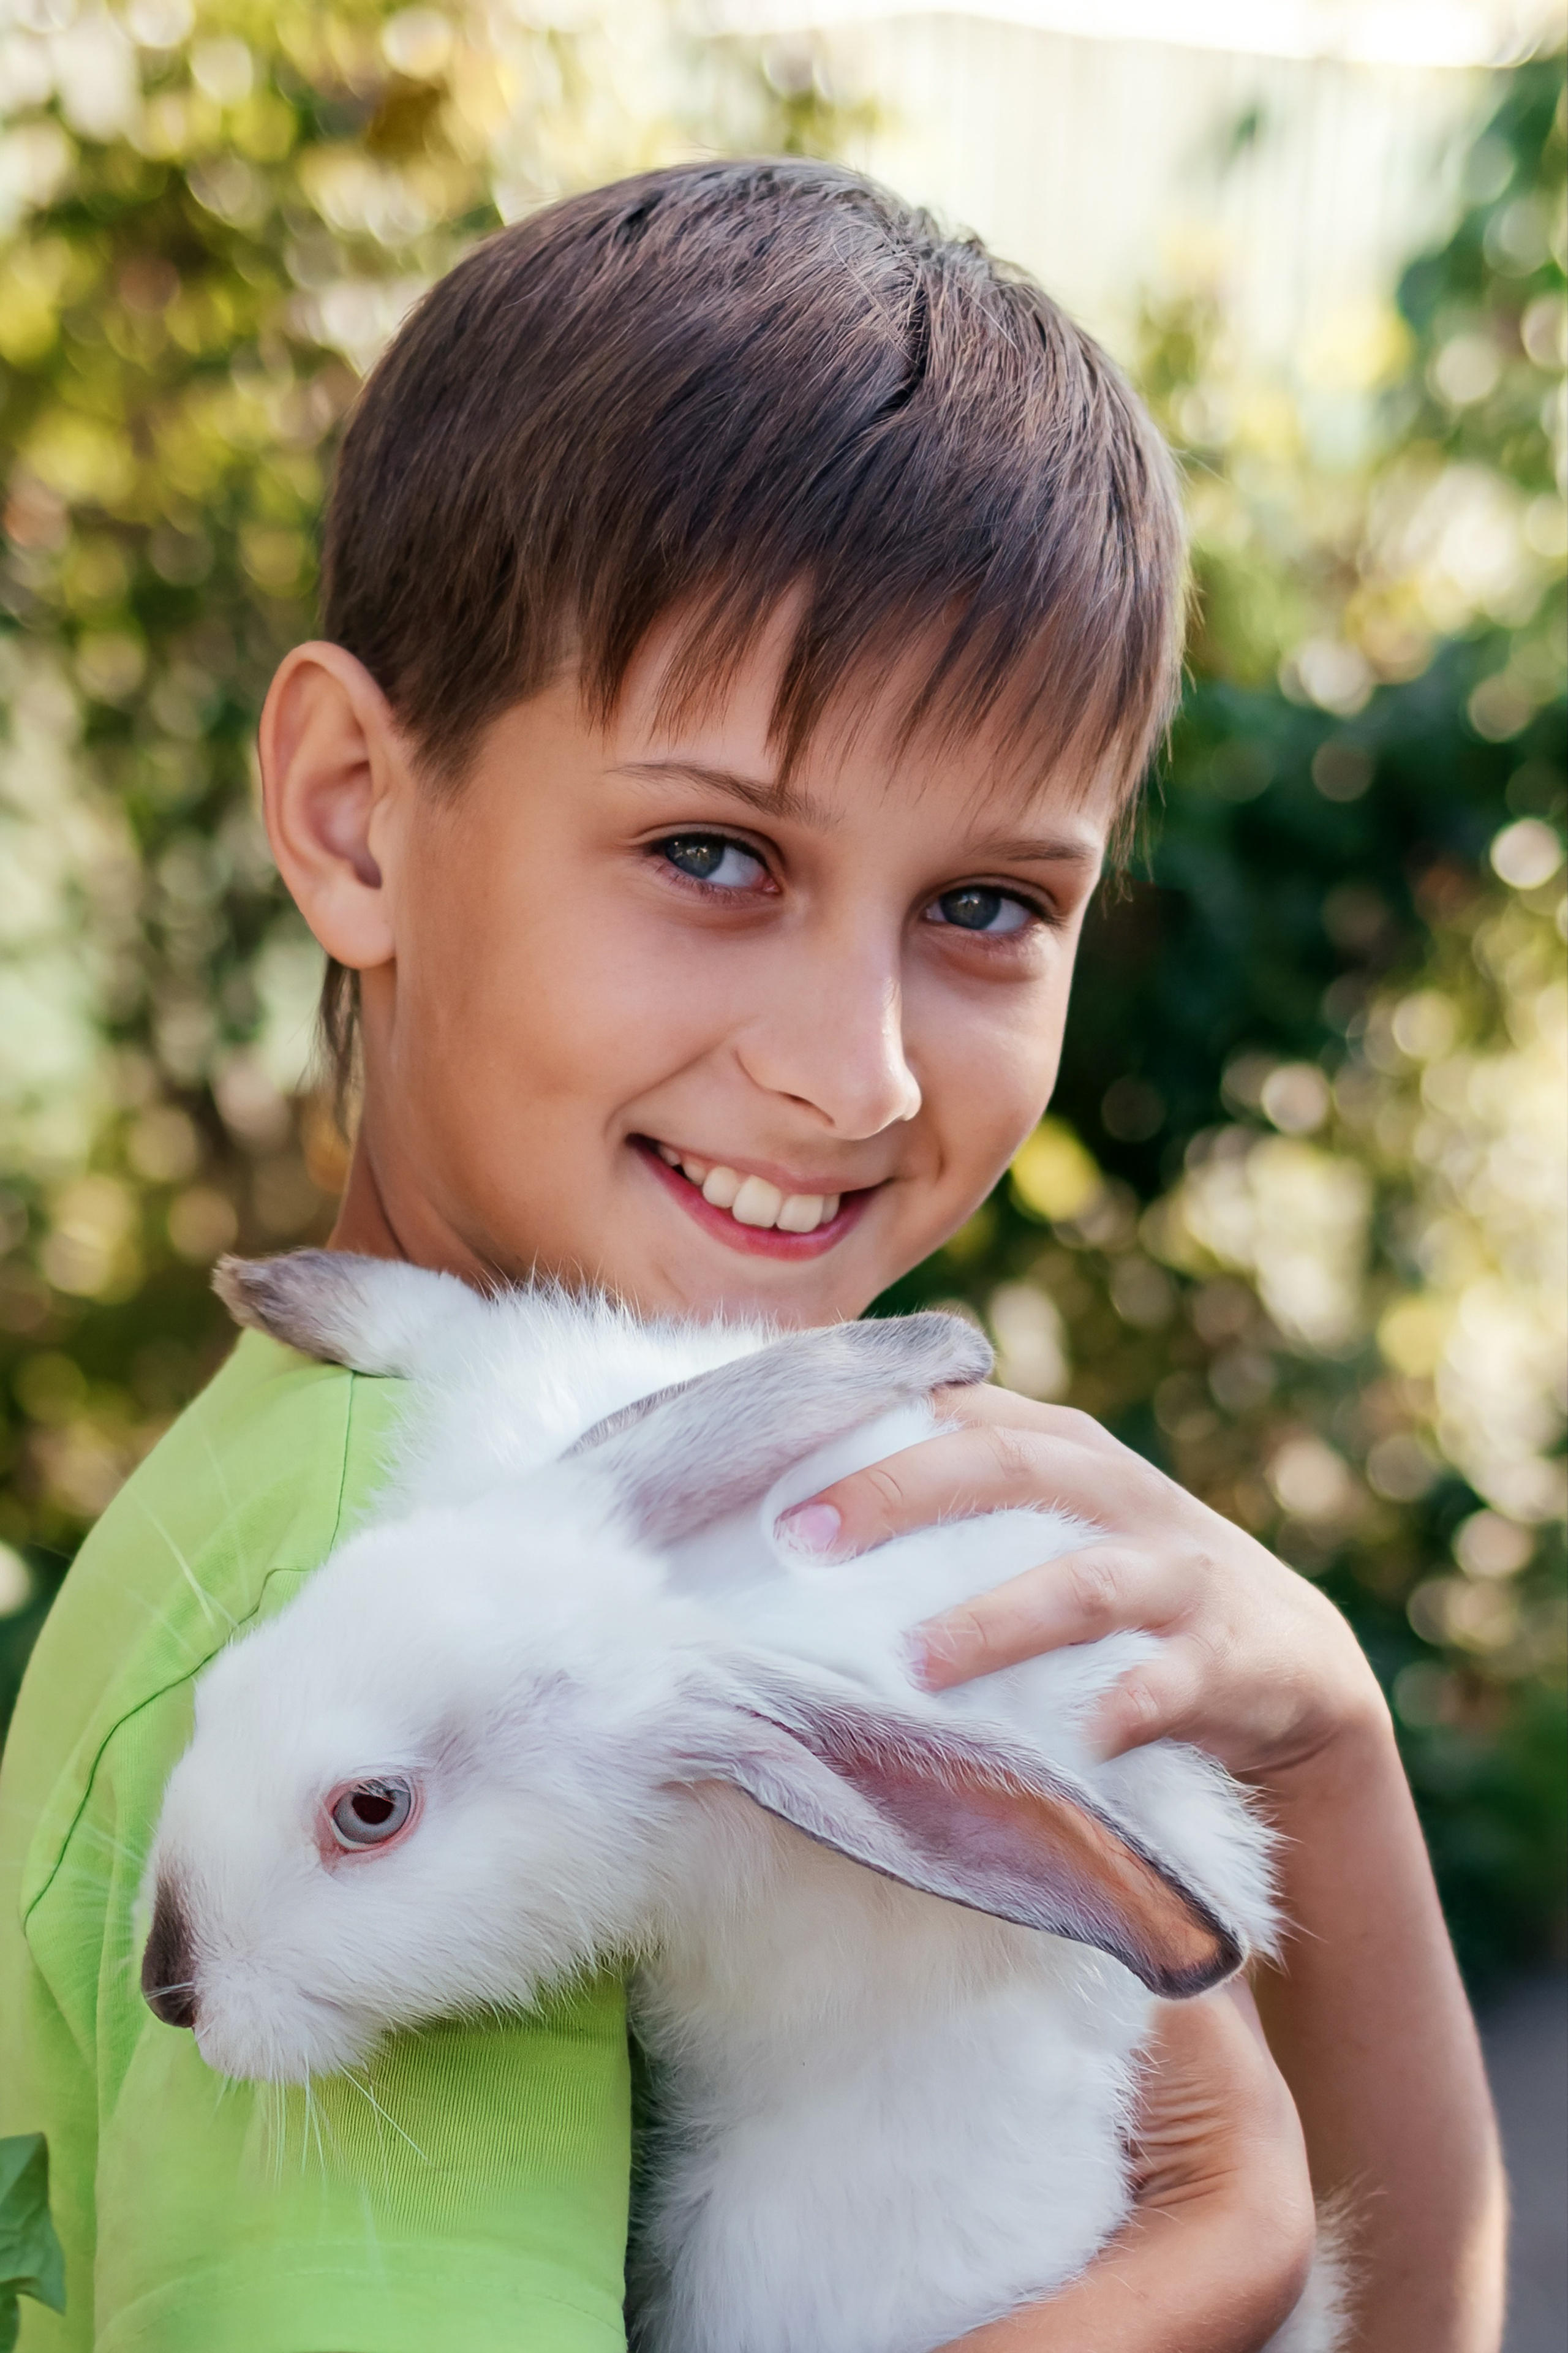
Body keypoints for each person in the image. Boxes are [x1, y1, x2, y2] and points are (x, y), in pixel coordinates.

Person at [0, 160, 1502, 2353]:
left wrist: (1328, 1754)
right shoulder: (412, 1608)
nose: (857, 1075)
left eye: (988, 906)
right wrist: (1212, 2263)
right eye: (712, 851)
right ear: (352, 811)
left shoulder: (526, 1479)